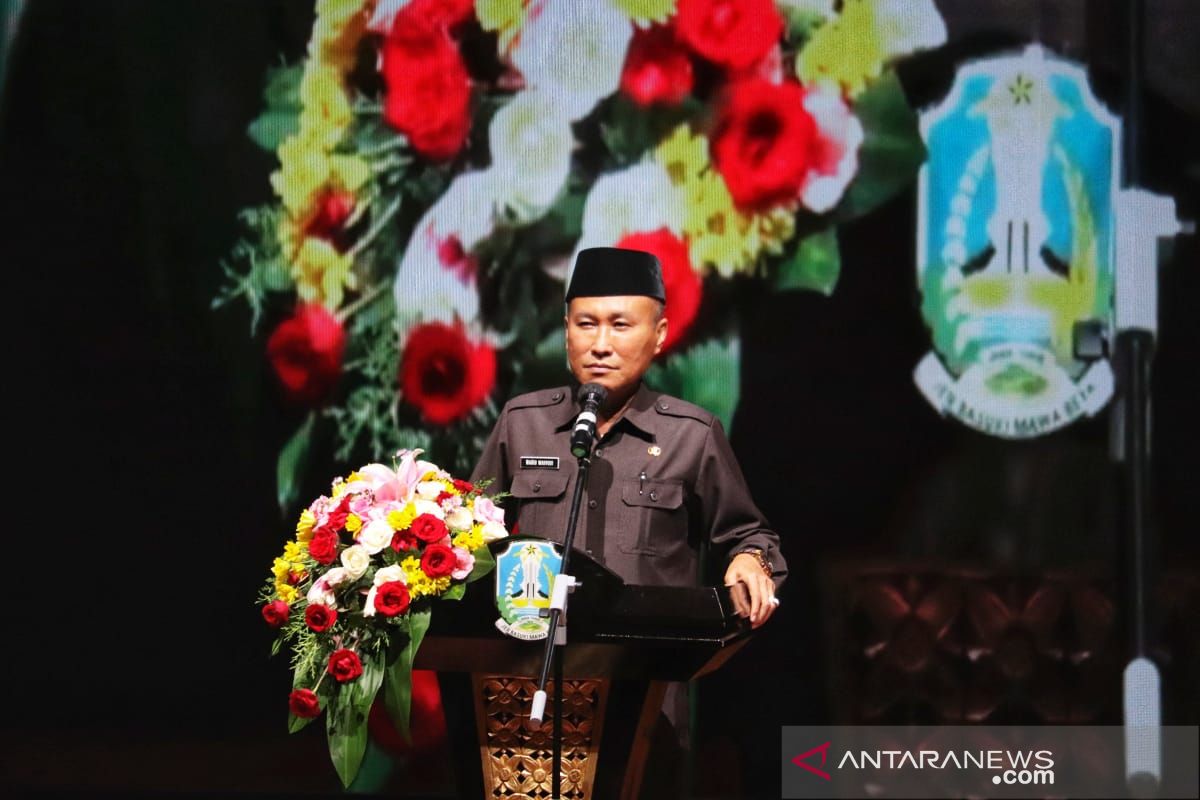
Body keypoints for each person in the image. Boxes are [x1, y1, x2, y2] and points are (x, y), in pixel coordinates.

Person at [472, 245, 786, 622]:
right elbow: (471, 534)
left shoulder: (691, 435)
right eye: (586, 324)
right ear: (567, 331)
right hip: (534, 660)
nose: (601, 346)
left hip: (648, 666)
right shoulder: (523, 422)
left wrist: (752, 562)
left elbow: (749, 535)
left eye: (620, 326)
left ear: (658, 335)